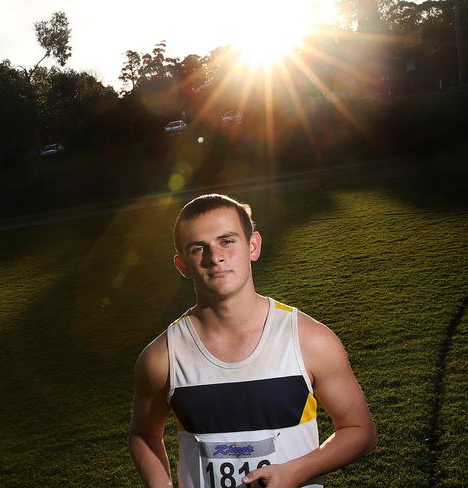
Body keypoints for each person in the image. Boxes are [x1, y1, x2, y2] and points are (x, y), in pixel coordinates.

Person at [129, 194, 377, 488]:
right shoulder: (163, 356)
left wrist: (296, 471)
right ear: (182, 265)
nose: (215, 256)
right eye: (198, 248)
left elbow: (360, 431)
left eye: (227, 241)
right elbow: (143, 434)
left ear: (253, 246)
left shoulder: (308, 340)